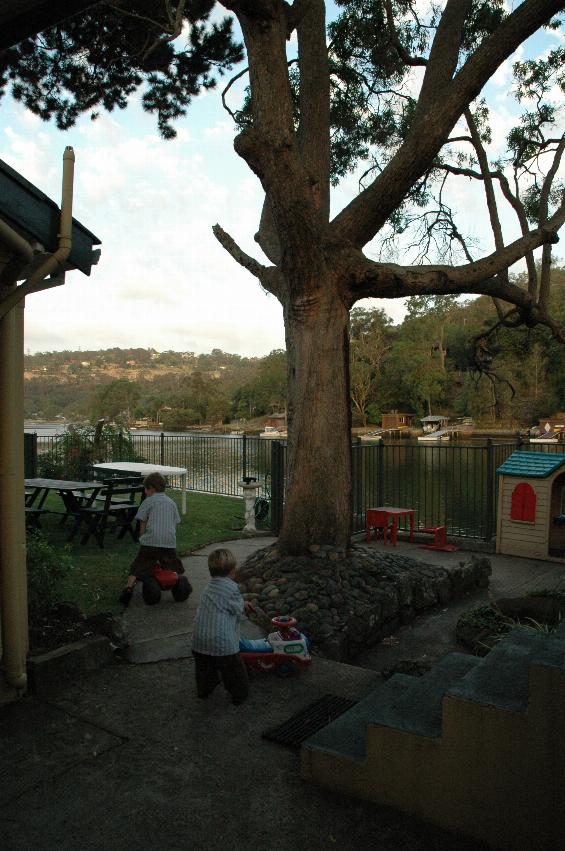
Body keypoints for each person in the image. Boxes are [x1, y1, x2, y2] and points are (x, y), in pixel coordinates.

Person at [191, 548, 253, 706]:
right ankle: (239, 695)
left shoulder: (208, 588)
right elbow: (237, 608)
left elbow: (222, 604)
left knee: (205, 668)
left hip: (199, 640)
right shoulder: (232, 588)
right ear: (233, 570)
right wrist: (243, 605)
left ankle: (205, 689)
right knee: (234, 671)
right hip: (222, 643)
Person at [118, 471, 189, 606]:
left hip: (151, 541)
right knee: (173, 564)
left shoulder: (148, 502)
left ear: (151, 488)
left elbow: (142, 521)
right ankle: (179, 582)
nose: (145, 492)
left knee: (139, 564)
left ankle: (128, 588)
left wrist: (142, 537)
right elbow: (175, 523)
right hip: (169, 541)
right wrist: (169, 536)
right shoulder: (171, 503)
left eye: (145, 489)